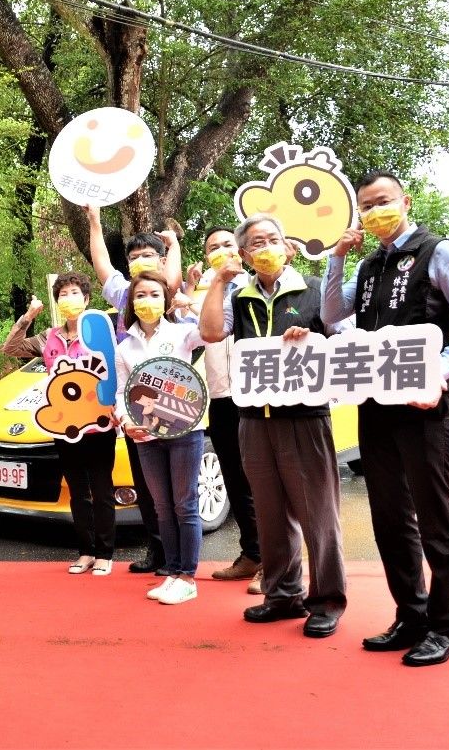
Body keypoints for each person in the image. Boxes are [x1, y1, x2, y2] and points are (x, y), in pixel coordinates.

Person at [321, 170, 449, 666]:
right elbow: (334, 315)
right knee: (390, 516)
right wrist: (337, 257)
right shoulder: (369, 265)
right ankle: (410, 614)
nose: (376, 212)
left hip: (426, 406)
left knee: (434, 517)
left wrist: (439, 370)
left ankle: (446, 626)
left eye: (383, 202)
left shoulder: (439, 252)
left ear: (405, 200)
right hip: (376, 406)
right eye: (366, 206)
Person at [198, 213, 346, 638]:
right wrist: (218, 281)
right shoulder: (238, 295)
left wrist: (313, 343)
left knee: (318, 514)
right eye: (256, 243)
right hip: (253, 419)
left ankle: (327, 601)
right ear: (244, 254)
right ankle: (283, 595)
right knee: (270, 514)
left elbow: (345, 341)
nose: (266, 248)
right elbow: (210, 332)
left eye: (273, 239)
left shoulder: (317, 290)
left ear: (288, 245)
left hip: (304, 416)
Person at [85, 204, 181, 574]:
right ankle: (156, 551)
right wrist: (94, 222)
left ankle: (177, 558)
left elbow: (170, 282)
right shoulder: (127, 295)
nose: (141, 262)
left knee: (176, 487)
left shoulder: (174, 295)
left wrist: (172, 247)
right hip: (138, 400)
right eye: (135, 257)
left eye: (148, 255)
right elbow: (101, 266)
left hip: (174, 399)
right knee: (146, 482)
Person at [1, 272, 115, 576]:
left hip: (98, 424)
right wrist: (28, 317)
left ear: (87, 299)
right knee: (78, 490)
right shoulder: (49, 337)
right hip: (65, 426)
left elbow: (116, 371)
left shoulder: (101, 333)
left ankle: (105, 553)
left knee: (101, 489)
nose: (69, 299)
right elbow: (10, 349)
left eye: (75, 292)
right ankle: (86, 551)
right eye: (63, 294)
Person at [114, 271, 206, 604]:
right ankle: (171, 571)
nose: (147, 301)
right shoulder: (124, 345)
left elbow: (213, 332)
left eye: (154, 294)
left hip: (185, 430)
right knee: (162, 507)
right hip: (145, 436)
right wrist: (125, 421)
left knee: (185, 504)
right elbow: (122, 391)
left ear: (165, 300)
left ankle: (188, 577)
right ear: (131, 303)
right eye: (140, 295)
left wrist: (190, 302)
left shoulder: (182, 331)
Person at [186, 227, 263, 594]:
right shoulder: (207, 295)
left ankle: (276, 562)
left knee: (264, 481)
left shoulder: (259, 286)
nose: (221, 251)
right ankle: (252, 554)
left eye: (227, 245)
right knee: (235, 479)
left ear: (243, 250)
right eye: (213, 247)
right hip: (221, 397)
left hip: (258, 396)